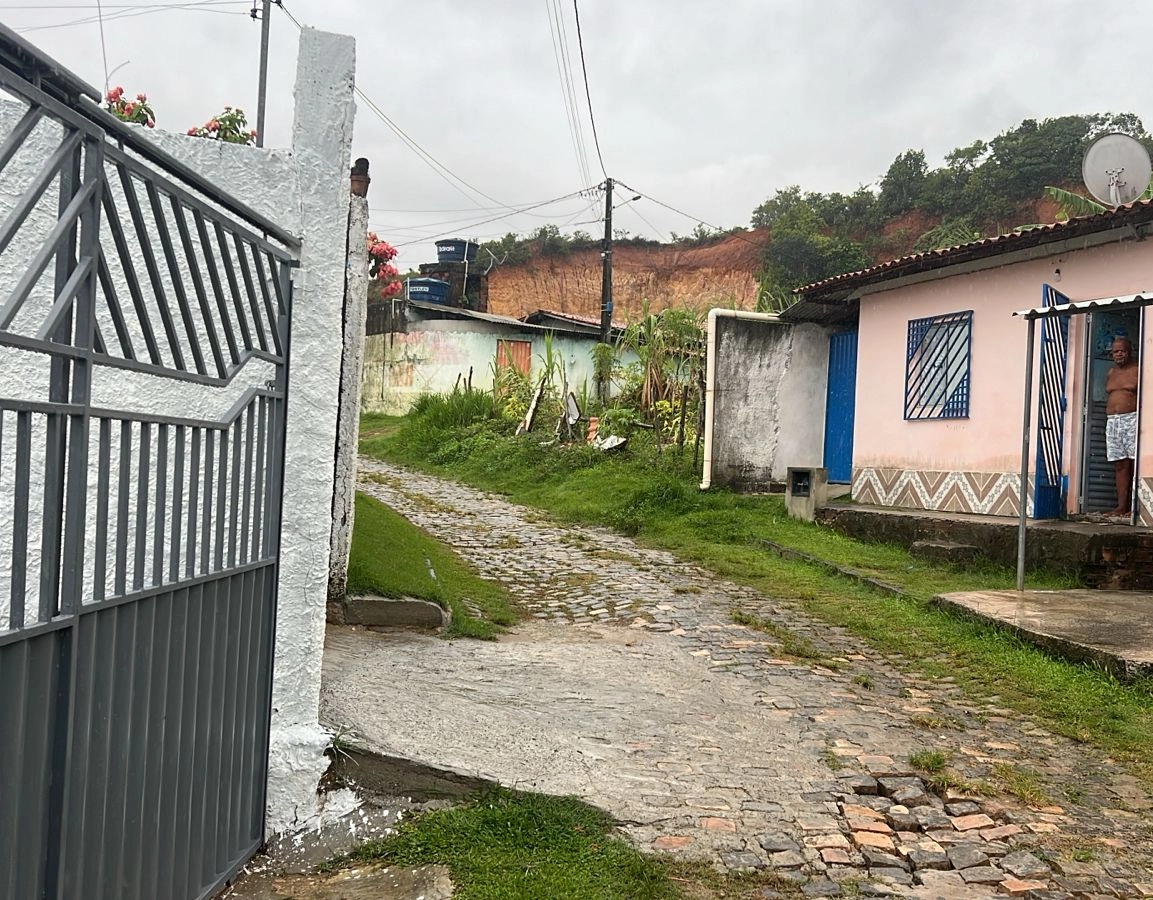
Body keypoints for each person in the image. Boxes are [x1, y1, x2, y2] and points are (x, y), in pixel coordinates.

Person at [1104, 335, 1139, 516]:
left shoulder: (1137, 370)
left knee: (1135, 462)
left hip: (1132, 419)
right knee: (1119, 464)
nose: (1119, 354)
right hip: (1113, 423)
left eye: (1122, 350)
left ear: (1129, 351)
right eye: (1115, 351)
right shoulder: (1111, 373)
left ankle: (1134, 507)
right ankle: (1121, 506)